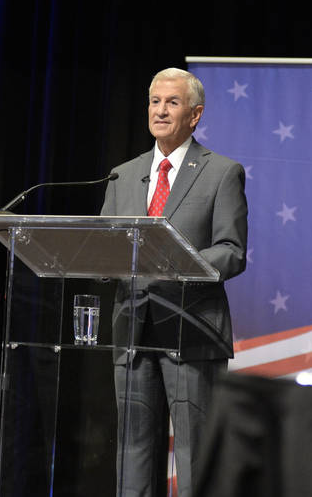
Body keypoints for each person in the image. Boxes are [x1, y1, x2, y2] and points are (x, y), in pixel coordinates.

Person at [101, 68, 248, 496]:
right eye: (154, 101)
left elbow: (232, 250)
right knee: (133, 450)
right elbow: (107, 245)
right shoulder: (122, 175)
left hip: (192, 327)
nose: (160, 111)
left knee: (195, 451)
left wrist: (180, 264)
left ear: (195, 114)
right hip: (132, 327)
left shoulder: (222, 172)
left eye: (172, 103)